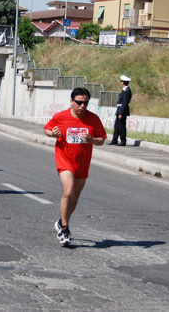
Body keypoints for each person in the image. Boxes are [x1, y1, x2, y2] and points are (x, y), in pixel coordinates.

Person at [44, 87, 107, 246]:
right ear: (71, 101)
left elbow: (102, 139)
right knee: (69, 190)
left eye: (85, 103)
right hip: (65, 159)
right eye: (79, 102)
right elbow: (47, 128)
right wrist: (53, 134)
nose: (82, 106)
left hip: (82, 162)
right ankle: (64, 229)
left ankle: (61, 221)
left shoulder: (93, 119)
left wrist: (92, 140)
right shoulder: (61, 116)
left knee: (76, 195)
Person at [108, 75, 132, 146]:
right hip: (120, 109)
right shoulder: (124, 90)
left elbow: (124, 102)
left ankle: (123, 141)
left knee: (121, 126)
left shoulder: (126, 91)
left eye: (121, 81)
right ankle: (114, 140)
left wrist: (121, 113)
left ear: (123, 83)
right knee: (117, 126)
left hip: (122, 110)